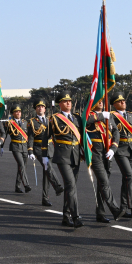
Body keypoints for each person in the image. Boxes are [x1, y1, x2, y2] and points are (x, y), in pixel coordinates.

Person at [48, 93, 84, 227]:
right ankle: (76, 217)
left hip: (76, 155)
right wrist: (45, 156)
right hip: (62, 155)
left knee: (71, 187)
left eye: (69, 101)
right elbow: (47, 137)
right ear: (60, 104)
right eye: (65, 101)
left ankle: (66, 216)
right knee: (70, 184)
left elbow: (83, 135)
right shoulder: (54, 119)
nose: (68, 103)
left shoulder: (77, 118)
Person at [86, 99, 123, 223]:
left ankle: (100, 213)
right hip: (95, 153)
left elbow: (116, 132)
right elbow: (84, 121)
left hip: (107, 153)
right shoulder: (90, 115)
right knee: (104, 181)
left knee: (102, 184)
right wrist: (101, 116)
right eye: (98, 100)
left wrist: (113, 148)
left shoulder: (109, 116)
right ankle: (115, 209)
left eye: (102, 100)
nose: (101, 102)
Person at [109, 93, 132, 218]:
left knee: (127, 178)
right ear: (114, 104)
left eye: (123, 100)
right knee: (129, 176)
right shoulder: (112, 116)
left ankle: (123, 208)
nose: (123, 102)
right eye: (120, 101)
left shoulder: (131, 116)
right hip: (120, 149)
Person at [28, 100, 62, 206]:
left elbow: (54, 136)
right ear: (35, 109)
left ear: (45, 109)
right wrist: (30, 151)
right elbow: (30, 137)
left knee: (47, 173)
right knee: (47, 166)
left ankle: (45, 198)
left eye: (42, 106)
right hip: (38, 148)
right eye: (38, 106)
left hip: (49, 147)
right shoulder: (32, 122)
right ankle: (57, 186)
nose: (40, 108)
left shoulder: (50, 120)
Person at [4, 106, 32, 194]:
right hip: (15, 146)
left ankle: (18, 186)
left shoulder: (25, 122)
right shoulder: (9, 123)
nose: (18, 113)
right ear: (13, 113)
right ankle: (26, 185)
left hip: (25, 146)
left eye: (19, 111)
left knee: (23, 167)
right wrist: (1, 147)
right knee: (21, 165)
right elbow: (4, 135)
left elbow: (30, 136)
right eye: (16, 111)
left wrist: (30, 148)